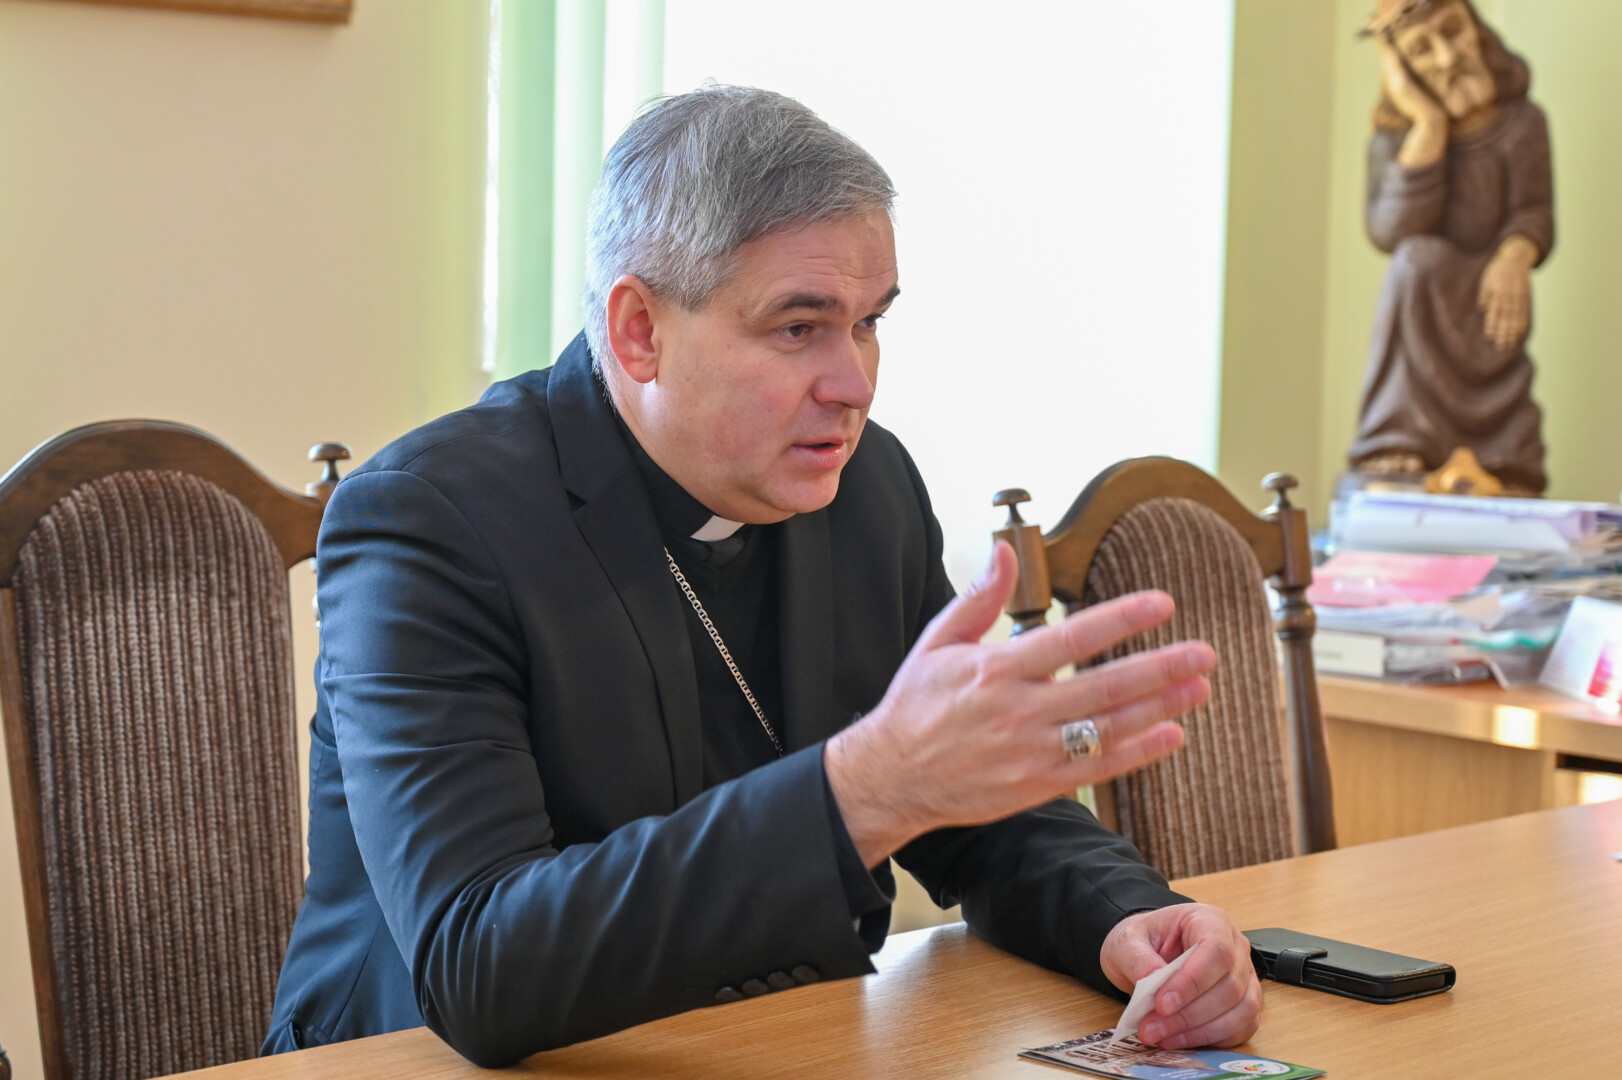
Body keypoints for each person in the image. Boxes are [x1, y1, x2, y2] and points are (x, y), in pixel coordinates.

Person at [263, 86, 1261, 1068]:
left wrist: (1131, 918)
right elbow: (480, 963)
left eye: (868, 323)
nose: (854, 384)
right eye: (797, 328)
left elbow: (969, 803)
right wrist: (860, 792)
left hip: (775, 1048)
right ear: (639, 331)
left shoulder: (865, 486)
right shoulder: (431, 520)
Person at [1349, 0, 1553, 492]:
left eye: (1453, 30)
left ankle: (1503, 455)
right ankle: (1397, 438)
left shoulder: (1522, 123)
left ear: (1477, 29)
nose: (1446, 57)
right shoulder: (1393, 143)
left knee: (1431, 268)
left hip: (1489, 304)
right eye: (1421, 50)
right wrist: (1430, 125)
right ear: (1400, 69)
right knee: (1415, 260)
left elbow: (1534, 211)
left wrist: (1514, 255)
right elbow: (1391, 230)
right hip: (1422, 308)